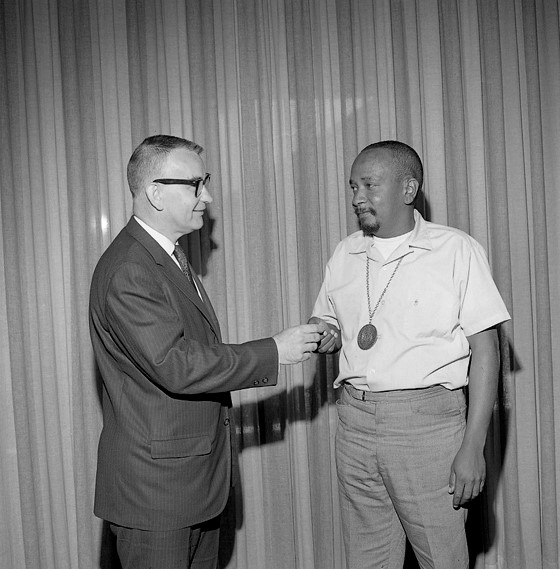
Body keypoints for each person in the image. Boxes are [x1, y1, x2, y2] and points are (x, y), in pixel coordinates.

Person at [89, 134, 321, 569]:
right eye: (196, 184)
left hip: (189, 489)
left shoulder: (167, 258)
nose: (208, 196)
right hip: (157, 498)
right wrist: (274, 351)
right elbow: (176, 365)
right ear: (155, 192)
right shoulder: (130, 269)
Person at [309, 140, 510, 569]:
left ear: (408, 189)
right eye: (352, 186)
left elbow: (487, 351)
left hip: (427, 427)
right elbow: (327, 322)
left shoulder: (456, 250)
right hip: (354, 422)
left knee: (442, 559)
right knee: (367, 560)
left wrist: (473, 446)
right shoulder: (345, 253)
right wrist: (324, 334)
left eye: (369, 185)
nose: (357, 197)